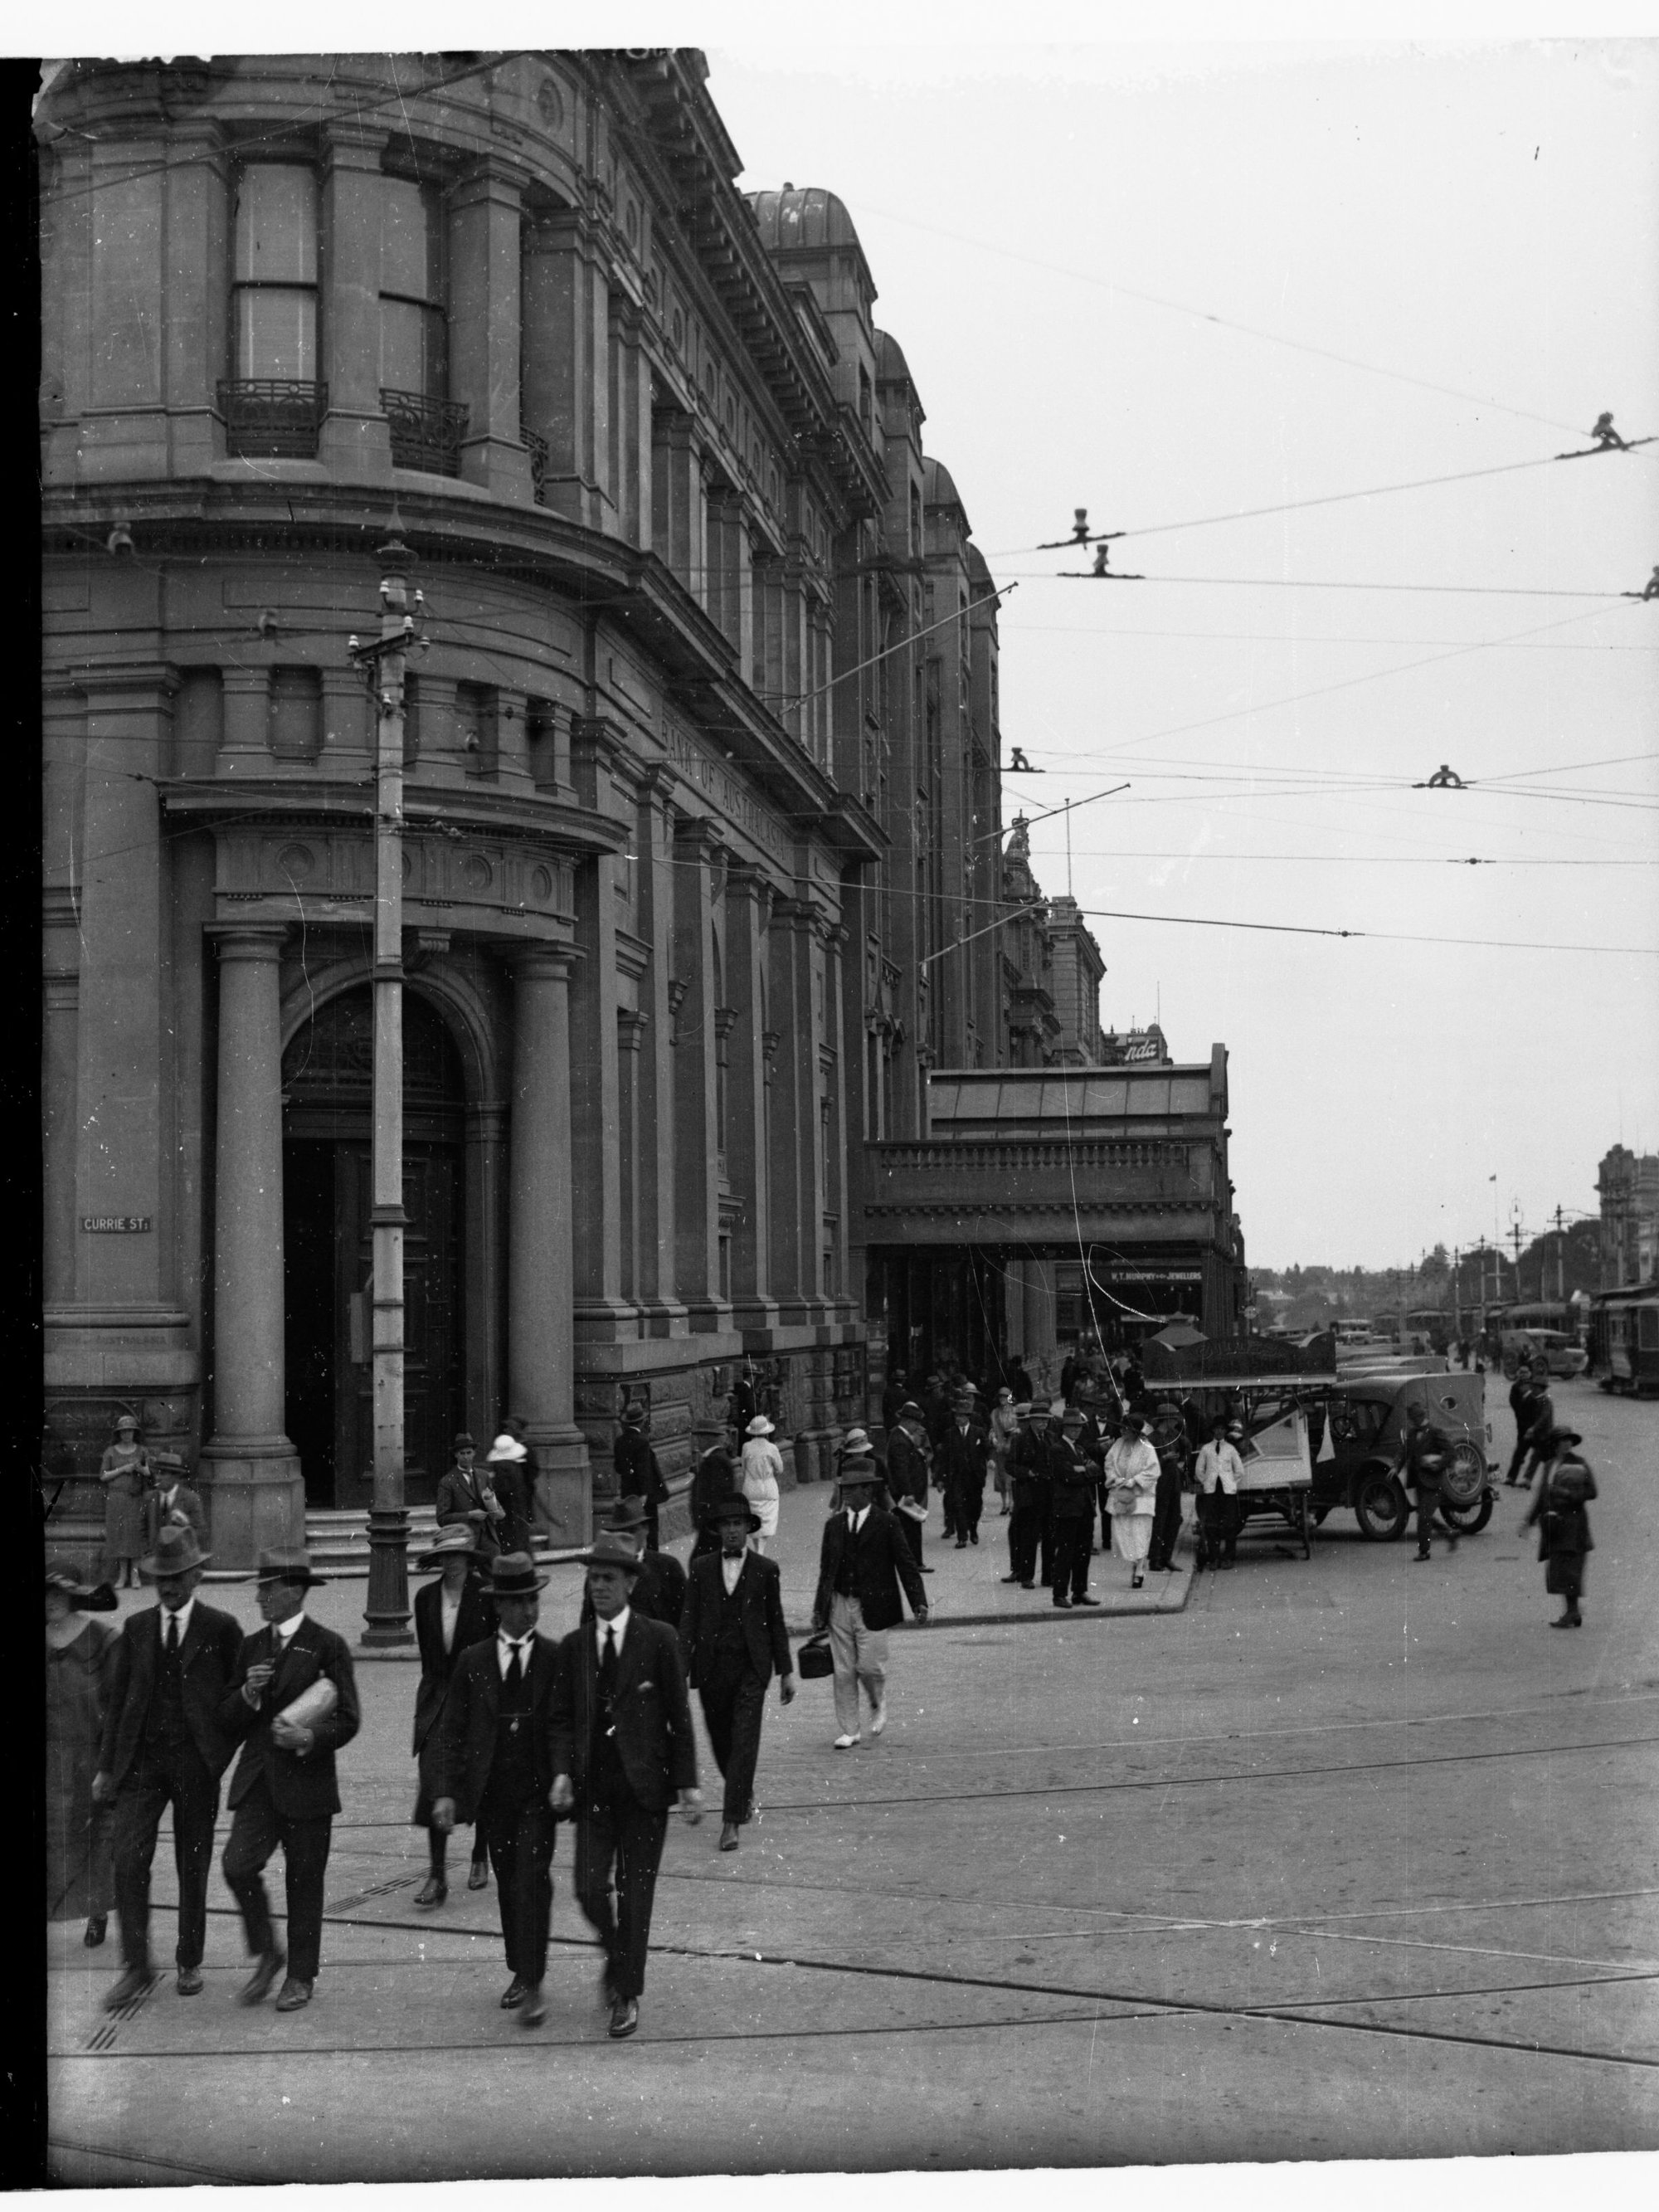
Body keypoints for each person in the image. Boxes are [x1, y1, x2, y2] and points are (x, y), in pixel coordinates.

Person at [550, 1531, 703, 2040]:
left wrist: (689, 1786)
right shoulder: (574, 1647)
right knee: (588, 1888)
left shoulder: (658, 1639)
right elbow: (562, 1720)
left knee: (636, 1896)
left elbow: (679, 1717)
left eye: (608, 1578)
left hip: (645, 1791)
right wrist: (562, 1774)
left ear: (630, 1583)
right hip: (594, 1791)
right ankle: (619, 1960)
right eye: (592, 1578)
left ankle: (627, 1993)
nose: (598, 1588)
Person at [94, 1524, 243, 2007]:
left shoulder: (221, 1628)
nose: (170, 1585)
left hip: (195, 1765)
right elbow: (118, 1704)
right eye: (163, 1577)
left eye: (179, 1575)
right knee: (128, 1858)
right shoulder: (136, 1629)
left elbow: (236, 1702)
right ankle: (136, 1967)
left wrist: (216, 1757)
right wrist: (105, 1767)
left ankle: (189, 1959)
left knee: (191, 1863)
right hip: (142, 1764)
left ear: (197, 1575)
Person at [219, 1547, 361, 2014]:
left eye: (269, 1588)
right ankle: (267, 1952)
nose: (260, 1597)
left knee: (305, 1881)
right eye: (260, 1588)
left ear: (295, 1591)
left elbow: (349, 1718)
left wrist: (310, 1735)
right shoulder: (252, 1646)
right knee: (238, 1865)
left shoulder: (328, 1645)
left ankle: (300, 1976)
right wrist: (247, 1693)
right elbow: (228, 1719)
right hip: (259, 1780)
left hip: (307, 1783)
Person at [431, 1552, 561, 2024]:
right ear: (500, 1607)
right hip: (493, 1795)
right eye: (520, 1602)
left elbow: (565, 1726)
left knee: (532, 1877)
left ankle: (534, 1978)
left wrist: (565, 1774)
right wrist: (444, 1791)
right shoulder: (474, 1661)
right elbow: (451, 1731)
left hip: (538, 1794)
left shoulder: (553, 1657)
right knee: (510, 1880)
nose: (530, 1610)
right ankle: (521, 1970)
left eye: (534, 1600)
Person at [679, 1492, 795, 1850]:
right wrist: (679, 1672)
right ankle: (740, 1792)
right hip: (712, 1670)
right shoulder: (700, 1569)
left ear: (748, 1527)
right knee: (722, 1742)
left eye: (737, 1524)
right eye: (726, 1524)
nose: (732, 1531)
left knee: (744, 1742)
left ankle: (731, 1822)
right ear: (718, 1530)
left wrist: (787, 1671)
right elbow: (688, 1623)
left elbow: (775, 1623)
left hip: (751, 1668)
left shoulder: (765, 1570)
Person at [810, 1458, 928, 1749]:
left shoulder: (887, 1522)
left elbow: (906, 1564)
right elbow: (826, 1571)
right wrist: (819, 1609)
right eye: (845, 1488)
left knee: (870, 1667)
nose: (847, 1494)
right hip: (840, 1602)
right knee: (843, 1669)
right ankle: (850, 1729)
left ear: (868, 1490)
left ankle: (877, 1701)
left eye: (853, 1488)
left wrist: (919, 1602)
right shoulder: (834, 1525)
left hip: (875, 1605)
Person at [410, 1523, 496, 1910]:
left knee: (483, 1777)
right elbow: (431, 1659)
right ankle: (437, 1874)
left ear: (470, 1558)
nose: (453, 1563)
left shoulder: (486, 1594)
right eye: (446, 1556)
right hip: (439, 1699)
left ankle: (481, 1854)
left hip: (480, 1698)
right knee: (434, 1778)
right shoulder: (426, 1598)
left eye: (459, 1555)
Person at [46, 1553, 119, 1951]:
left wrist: (107, 1764)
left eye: (59, 1592)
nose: (51, 1600)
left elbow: (118, 1706)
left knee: (95, 1837)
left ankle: (98, 1912)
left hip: (88, 1754)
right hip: (49, 1757)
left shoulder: (104, 1640)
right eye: (45, 1593)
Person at [1524, 1427, 1597, 1628]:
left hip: (1574, 1525)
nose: (1567, 1445)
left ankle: (1572, 1612)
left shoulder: (1580, 1464)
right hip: (1555, 1526)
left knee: (1570, 1569)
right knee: (1561, 1570)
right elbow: (1542, 1496)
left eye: (1569, 1441)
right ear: (1555, 1445)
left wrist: (1568, 1494)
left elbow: (1592, 1491)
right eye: (1563, 1441)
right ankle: (1572, 1612)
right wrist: (1529, 1520)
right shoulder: (1549, 1466)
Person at [586, 1495, 688, 1630]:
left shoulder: (667, 1567)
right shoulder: (600, 1571)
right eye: (621, 1532)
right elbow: (588, 1623)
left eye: (633, 1531)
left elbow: (686, 1617)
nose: (628, 1537)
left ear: (646, 1529)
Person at [1049, 1411, 1101, 1606]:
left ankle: (1079, 1591)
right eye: (1072, 1427)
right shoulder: (1058, 1449)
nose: (1076, 1430)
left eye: (1078, 1427)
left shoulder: (1079, 1449)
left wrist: (1081, 1470)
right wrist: (1084, 1470)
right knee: (1065, 1552)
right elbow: (1067, 1476)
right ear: (1064, 1428)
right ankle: (1059, 1594)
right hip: (1067, 1508)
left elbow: (1097, 1472)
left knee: (1083, 1552)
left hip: (1084, 1507)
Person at [1396, 1402, 1460, 1562]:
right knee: (1424, 1516)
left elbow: (1451, 1451)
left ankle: (1424, 1552)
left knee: (1424, 1517)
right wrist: (1395, 1467)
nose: (1410, 1422)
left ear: (1418, 1417)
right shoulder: (1413, 1433)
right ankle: (1449, 1533)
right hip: (1418, 1482)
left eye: (1412, 1418)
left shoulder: (1435, 1432)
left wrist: (1438, 1464)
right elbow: (1405, 1451)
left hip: (1433, 1482)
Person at [1103, 1412, 1160, 1590]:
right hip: (1122, 1496)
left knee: (1140, 1535)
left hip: (1141, 1498)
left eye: (1126, 1429)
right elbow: (1109, 1463)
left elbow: (1153, 1471)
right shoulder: (1118, 1444)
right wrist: (1115, 1478)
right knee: (1124, 1535)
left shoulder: (1147, 1448)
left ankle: (1140, 1569)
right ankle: (1135, 1563)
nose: (1122, 1432)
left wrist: (1134, 1481)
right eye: (1122, 1428)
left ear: (1135, 1432)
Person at [1004, 1399, 1054, 1589]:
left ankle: (1048, 1576)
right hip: (1030, 1494)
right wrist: (1027, 1472)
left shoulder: (1051, 1438)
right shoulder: (1020, 1440)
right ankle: (1026, 1576)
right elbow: (1010, 1465)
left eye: (1046, 1420)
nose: (1043, 1423)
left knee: (1050, 1537)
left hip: (1049, 1493)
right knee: (1029, 1538)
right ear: (1031, 1420)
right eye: (1039, 1420)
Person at [99, 1413, 150, 1589]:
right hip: (116, 1499)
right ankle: (122, 1576)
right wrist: (122, 1469)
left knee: (134, 1535)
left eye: (130, 1431)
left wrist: (141, 1469)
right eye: (123, 1432)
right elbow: (103, 1476)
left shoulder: (142, 1450)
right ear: (119, 1434)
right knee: (119, 1536)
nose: (127, 1435)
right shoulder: (111, 1452)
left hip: (135, 1497)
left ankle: (135, 1575)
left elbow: (149, 1473)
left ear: (134, 1433)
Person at [434, 1432, 506, 1558]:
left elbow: (495, 1503)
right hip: (462, 1538)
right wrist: (469, 1515)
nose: (466, 1457)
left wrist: (498, 1512)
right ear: (456, 1455)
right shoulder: (447, 1481)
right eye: (462, 1454)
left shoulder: (483, 1476)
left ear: (474, 1453)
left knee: (495, 1570)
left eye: (469, 1453)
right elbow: (442, 1519)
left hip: (486, 1535)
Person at [884, 1400, 934, 1574]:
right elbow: (900, 1469)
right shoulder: (899, 1439)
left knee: (912, 1527)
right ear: (908, 1421)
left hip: (909, 1492)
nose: (918, 1427)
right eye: (916, 1423)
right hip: (906, 1494)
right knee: (910, 1529)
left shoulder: (902, 1437)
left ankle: (914, 1562)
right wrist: (908, 1492)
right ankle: (914, 1563)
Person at [612, 1404, 670, 1551]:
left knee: (630, 1526)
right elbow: (643, 1469)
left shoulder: (620, 1441)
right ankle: (651, 1555)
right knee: (650, 1528)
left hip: (628, 1492)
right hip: (644, 1494)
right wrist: (644, 1493)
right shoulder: (642, 1441)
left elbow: (618, 1467)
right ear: (642, 1421)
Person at [937, 1391, 990, 1548]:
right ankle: (962, 1537)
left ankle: (973, 1530)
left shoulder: (978, 1432)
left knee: (975, 1506)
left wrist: (991, 1459)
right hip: (957, 1477)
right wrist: (940, 1478)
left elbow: (987, 1450)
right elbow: (943, 1457)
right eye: (956, 1416)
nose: (957, 1419)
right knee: (958, 1505)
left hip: (975, 1476)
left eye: (960, 1416)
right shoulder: (950, 1434)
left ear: (967, 1417)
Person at [1193, 1417, 1244, 1571]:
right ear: (1213, 1431)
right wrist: (1207, 1481)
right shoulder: (1206, 1449)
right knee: (1211, 1526)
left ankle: (1228, 1557)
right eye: (1217, 1429)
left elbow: (1240, 1470)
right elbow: (1199, 1470)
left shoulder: (1230, 1449)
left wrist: (1231, 1482)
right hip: (1211, 1492)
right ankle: (1213, 1558)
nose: (1219, 1431)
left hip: (1227, 1492)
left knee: (1230, 1525)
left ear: (1225, 1432)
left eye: (1222, 1429)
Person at [1146, 1401, 1189, 1574]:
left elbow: (1187, 1445)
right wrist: (1164, 1458)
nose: (1176, 1422)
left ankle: (1167, 1557)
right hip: (1160, 1484)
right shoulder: (1152, 1439)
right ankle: (1155, 1558)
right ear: (1165, 1420)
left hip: (1174, 1482)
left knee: (1175, 1519)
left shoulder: (1174, 1435)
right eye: (1173, 1419)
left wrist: (1182, 1463)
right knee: (1160, 1522)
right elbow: (1148, 1464)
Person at [690, 1425, 742, 1561]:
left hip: (711, 1525)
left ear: (707, 1439)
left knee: (700, 1563)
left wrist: (710, 1522)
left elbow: (716, 1496)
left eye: (699, 1439)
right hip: (712, 1525)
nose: (697, 1443)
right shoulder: (716, 1458)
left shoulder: (715, 1461)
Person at [738, 1414, 786, 1555]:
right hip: (768, 1487)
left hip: (750, 1487)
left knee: (754, 1518)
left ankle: (757, 1549)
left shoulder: (746, 1447)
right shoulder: (772, 1448)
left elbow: (743, 1467)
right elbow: (780, 1468)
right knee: (767, 1519)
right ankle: (761, 1550)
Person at [485, 1433, 534, 1557]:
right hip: (517, 1505)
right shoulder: (515, 1465)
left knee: (510, 1537)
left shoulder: (502, 1467)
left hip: (508, 1508)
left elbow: (502, 1488)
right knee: (519, 1535)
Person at [141, 1458, 206, 1552]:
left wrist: (187, 1523)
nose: (158, 1477)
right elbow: (141, 1530)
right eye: (156, 1473)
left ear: (175, 1477)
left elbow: (200, 1531)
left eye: (163, 1474)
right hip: (155, 1558)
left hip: (181, 1557)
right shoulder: (148, 1498)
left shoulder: (191, 1498)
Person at [1502, 1363, 1537, 1487]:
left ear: (1530, 1373)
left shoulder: (1536, 1386)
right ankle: (1511, 1478)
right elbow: (1514, 1404)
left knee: (1538, 1455)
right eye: (1521, 1373)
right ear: (1517, 1374)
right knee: (1519, 1453)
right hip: (1523, 1425)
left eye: (1525, 1372)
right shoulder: (1515, 1387)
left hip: (1536, 1425)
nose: (1523, 1375)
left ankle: (1527, 1479)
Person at [989, 1387, 1020, 1514]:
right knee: (1001, 1476)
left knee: (1011, 1476)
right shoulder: (995, 1413)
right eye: (1001, 1397)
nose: (1003, 1399)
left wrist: (1016, 1431)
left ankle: (1012, 1504)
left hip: (1013, 1446)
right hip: (1000, 1447)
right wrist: (992, 1437)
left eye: (1005, 1397)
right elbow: (992, 1428)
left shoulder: (1015, 1411)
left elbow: (1020, 1427)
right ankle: (1004, 1504)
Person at [880, 1368, 910, 1435]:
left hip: (890, 1423)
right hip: (902, 1425)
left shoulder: (887, 1392)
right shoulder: (906, 1394)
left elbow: (884, 1409)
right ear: (903, 1380)